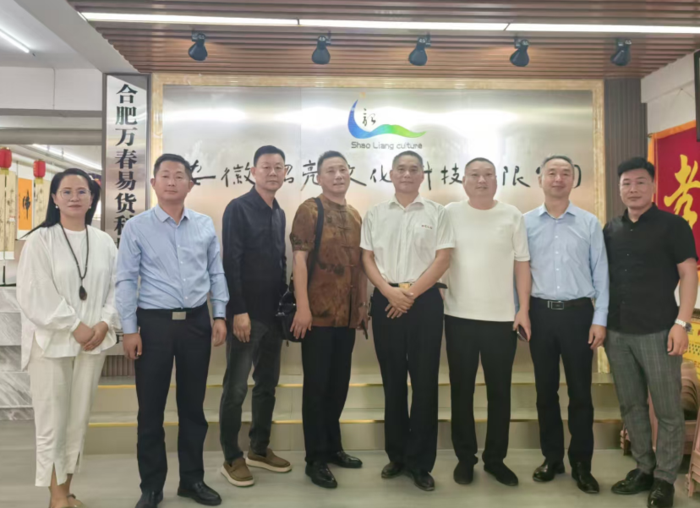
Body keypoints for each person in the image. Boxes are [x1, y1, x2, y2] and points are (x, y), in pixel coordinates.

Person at [116, 154, 229, 508]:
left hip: (196, 322)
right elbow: (125, 279)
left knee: (193, 407)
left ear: (190, 184)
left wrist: (220, 314)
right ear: (153, 183)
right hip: (153, 325)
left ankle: (192, 480)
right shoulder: (136, 227)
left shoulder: (204, 225)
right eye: (164, 175)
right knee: (150, 410)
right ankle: (151, 486)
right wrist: (129, 329)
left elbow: (216, 273)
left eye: (179, 175)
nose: (171, 181)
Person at [17, 168, 119, 508]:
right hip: (52, 344)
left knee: (77, 421)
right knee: (52, 423)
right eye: (67, 191)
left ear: (92, 199)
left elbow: (118, 288)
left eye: (82, 191)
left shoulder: (104, 242)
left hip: (92, 344)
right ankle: (57, 497)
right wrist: (75, 326)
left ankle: (66, 490)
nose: (75, 197)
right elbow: (35, 292)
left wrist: (104, 323)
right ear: (55, 199)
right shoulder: (40, 240)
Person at [604, 157, 697, 508]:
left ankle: (665, 478)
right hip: (617, 332)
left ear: (654, 186)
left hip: (659, 331)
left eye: (640, 182)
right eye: (626, 183)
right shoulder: (611, 229)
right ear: (619, 189)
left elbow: (689, 274)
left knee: (668, 408)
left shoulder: (674, 226)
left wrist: (681, 324)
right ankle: (644, 467)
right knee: (631, 404)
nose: (633, 189)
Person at [361, 150, 454, 492]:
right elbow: (367, 258)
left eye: (414, 169)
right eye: (401, 168)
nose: (407, 173)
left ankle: (420, 463)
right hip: (386, 300)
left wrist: (410, 294)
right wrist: (389, 292)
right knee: (393, 381)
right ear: (391, 173)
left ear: (422, 175)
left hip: (424, 301)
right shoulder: (375, 213)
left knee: (425, 383)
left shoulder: (437, 213)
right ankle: (397, 456)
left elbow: (443, 259)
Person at [442, 157, 530, 488]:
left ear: (496, 180)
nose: (482, 180)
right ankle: (465, 459)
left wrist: (523, 309)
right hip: (459, 317)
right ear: (463, 180)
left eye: (488, 175)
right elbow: (439, 258)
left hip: (502, 319)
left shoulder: (512, 215)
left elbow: (522, 263)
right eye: (475, 175)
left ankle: (495, 460)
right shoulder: (450, 213)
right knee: (461, 391)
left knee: (499, 392)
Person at [524, 155, 609, 494]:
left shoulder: (589, 223)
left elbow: (601, 274)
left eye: (565, 173)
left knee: (580, 394)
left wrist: (599, 319)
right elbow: (518, 272)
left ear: (574, 179)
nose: (558, 178)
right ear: (540, 179)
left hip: (579, 315)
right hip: (539, 314)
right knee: (545, 392)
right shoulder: (525, 223)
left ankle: (582, 464)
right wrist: (521, 312)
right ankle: (552, 458)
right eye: (552, 173)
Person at [289, 150, 368, 489]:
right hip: (317, 317)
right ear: (319, 177)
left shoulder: (355, 216)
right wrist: (302, 307)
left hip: (346, 319)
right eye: (331, 171)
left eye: (343, 170)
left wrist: (362, 304)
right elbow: (299, 260)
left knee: (338, 386)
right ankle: (315, 459)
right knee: (317, 388)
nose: (338, 175)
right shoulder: (310, 210)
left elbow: (361, 265)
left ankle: (333, 447)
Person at [219, 145, 292, 487]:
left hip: (274, 316)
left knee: (267, 385)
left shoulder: (279, 212)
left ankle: (259, 449)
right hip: (246, 316)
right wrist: (238, 310)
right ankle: (231, 456)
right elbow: (230, 262)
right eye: (266, 167)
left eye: (279, 167)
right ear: (253, 171)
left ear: (285, 172)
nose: (273, 172)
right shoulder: (238, 208)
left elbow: (280, 261)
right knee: (236, 388)